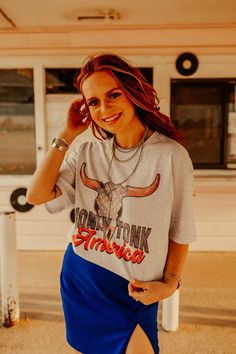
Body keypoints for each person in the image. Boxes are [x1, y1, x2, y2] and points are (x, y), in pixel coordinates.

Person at [26, 53, 197, 354]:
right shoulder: (87, 152)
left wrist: (171, 283)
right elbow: (36, 196)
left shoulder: (171, 156)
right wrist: (67, 135)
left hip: (134, 290)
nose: (104, 108)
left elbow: (180, 228)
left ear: (132, 92)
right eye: (93, 102)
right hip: (82, 277)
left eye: (113, 95)